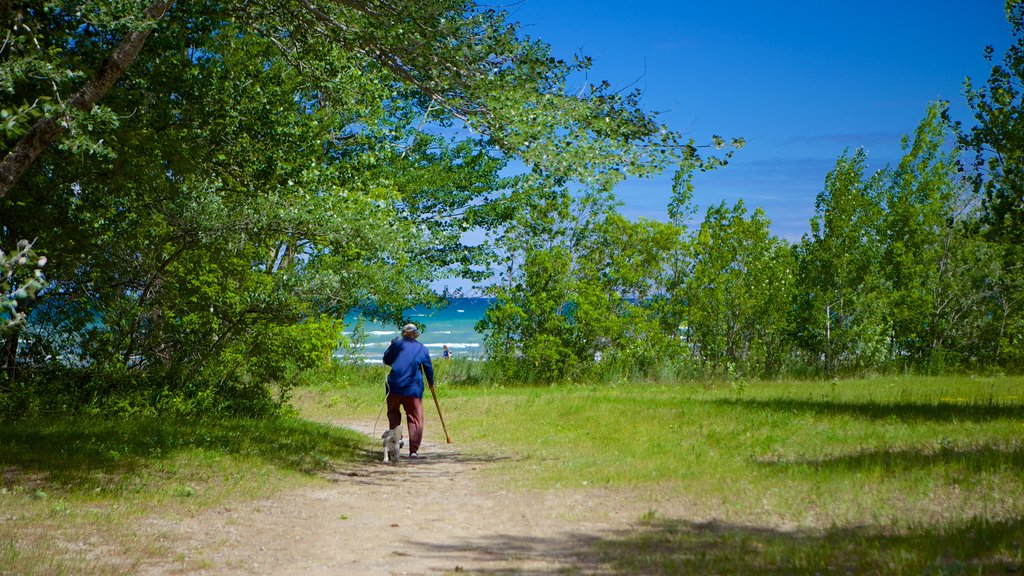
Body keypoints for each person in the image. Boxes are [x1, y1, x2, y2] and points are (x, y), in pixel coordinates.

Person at [383, 323, 435, 458]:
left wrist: (393, 348)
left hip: (394, 385)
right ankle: (413, 451)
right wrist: (431, 383)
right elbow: (428, 368)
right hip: (413, 388)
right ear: (415, 335)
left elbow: (386, 359)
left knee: (393, 413)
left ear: (404, 334)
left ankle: (397, 439)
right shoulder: (421, 348)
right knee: (415, 417)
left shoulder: (397, 345)